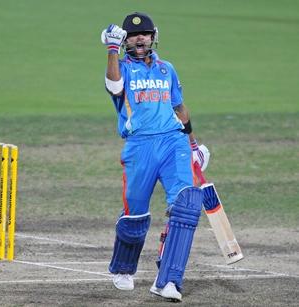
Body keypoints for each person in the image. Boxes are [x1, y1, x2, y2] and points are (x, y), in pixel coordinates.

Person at [101, 12, 207, 301]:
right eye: (133, 35)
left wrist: (194, 145)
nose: (139, 38)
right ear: (124, 40)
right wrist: (111, 50)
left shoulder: (167, 69)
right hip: (140, 146)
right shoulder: (121, 67)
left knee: (186, 205)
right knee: (135, 215)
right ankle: (123, 267)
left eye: (144, 34)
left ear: (153, 37)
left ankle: (169, 280)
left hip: (173, 142)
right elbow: (114, 86)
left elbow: (180, 108)